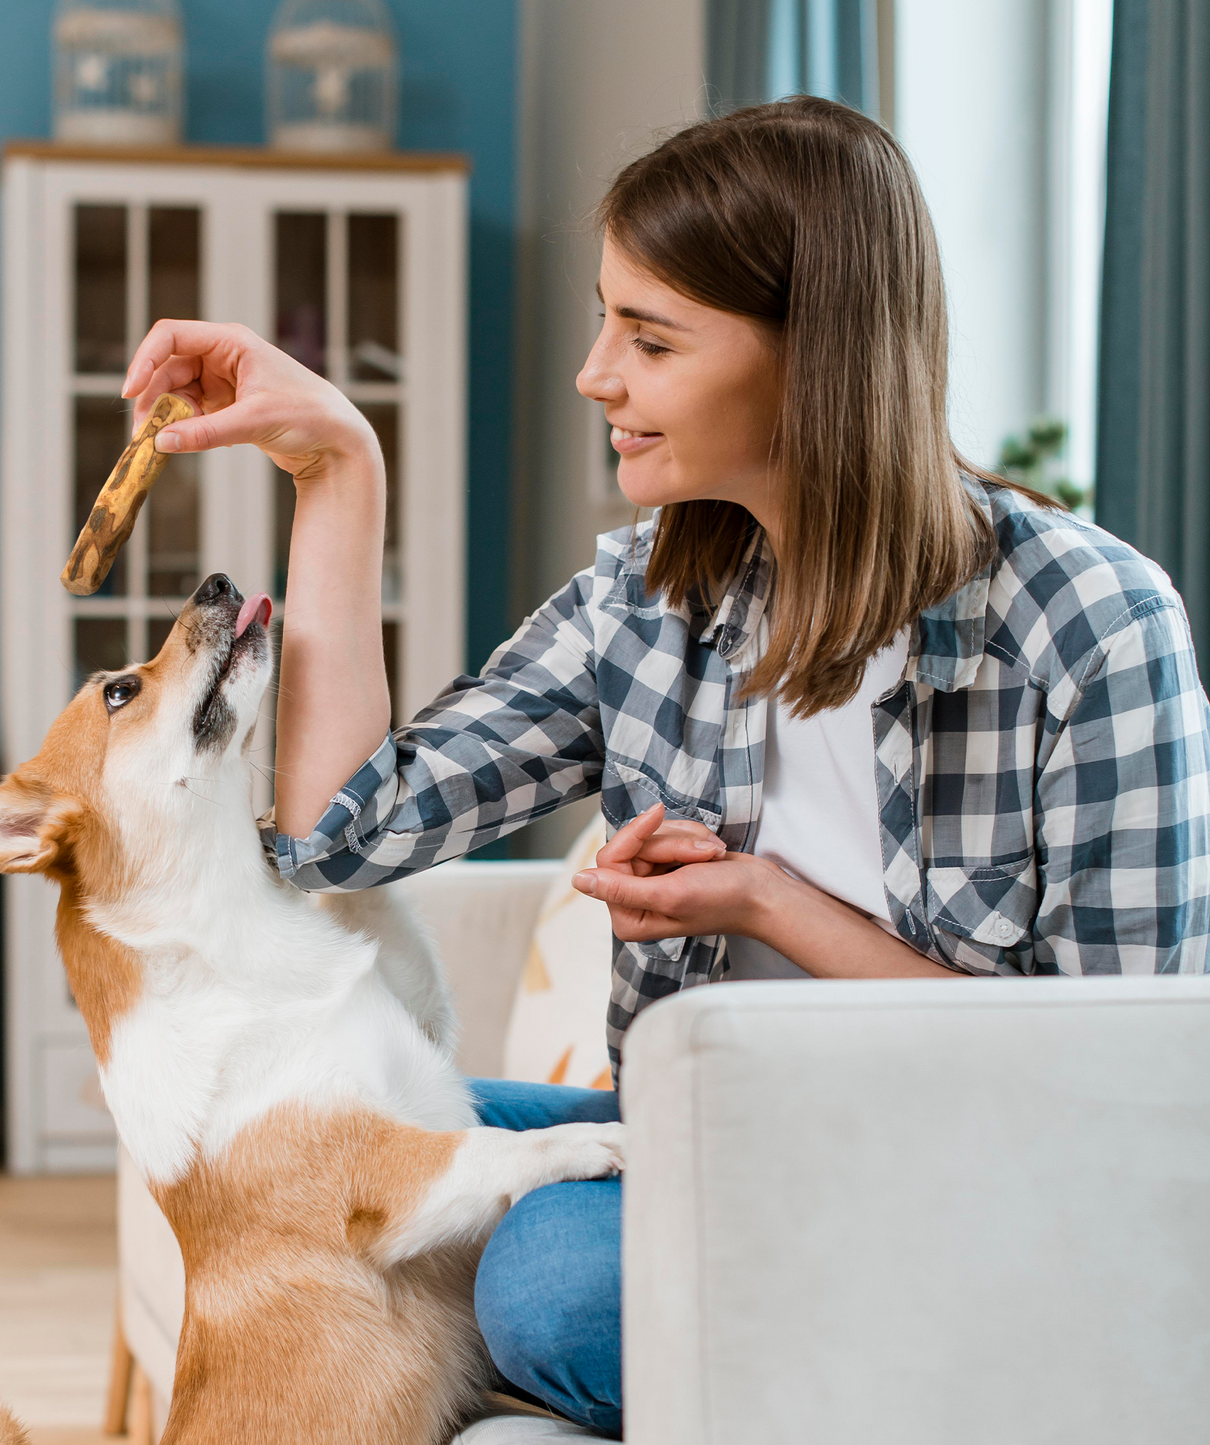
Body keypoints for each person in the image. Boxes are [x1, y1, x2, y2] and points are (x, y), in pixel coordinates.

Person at [120, 97, 1210, 1438]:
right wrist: (342, 471)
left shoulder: (1088, 625)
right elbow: (349, 830)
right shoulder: (646, 600)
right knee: (295, 1133)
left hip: (956, 1183)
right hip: (705, 1126)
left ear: (816, 357)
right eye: (606, 321)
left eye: (650, 338)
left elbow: (1128, 1087)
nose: (594, 374)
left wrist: (769, 904)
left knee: (553, 1299)